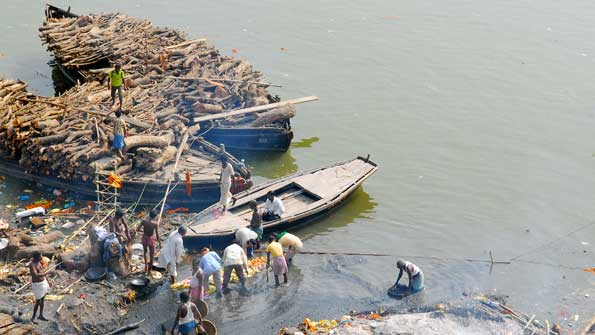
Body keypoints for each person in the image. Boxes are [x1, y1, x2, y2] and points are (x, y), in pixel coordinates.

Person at [135, 210, 161, 275]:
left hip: (144, 238)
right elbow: (157, 235)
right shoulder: (155, 224)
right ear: (155, 216)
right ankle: (149, 271)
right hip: (151, 239)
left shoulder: (144, 221)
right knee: (152, 255)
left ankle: (146, 267)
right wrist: (160, 243)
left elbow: (137, 229)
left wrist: (143, 231)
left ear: (149, 214)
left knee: (145, 252)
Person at [30, 251, 51, 323]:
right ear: (36, 258)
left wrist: (48, 281)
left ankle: (41, 315)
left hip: (43, 283)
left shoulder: (39, 262)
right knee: (38, 302)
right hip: (37, 285)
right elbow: (35, 275)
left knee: (42, 300)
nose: (41, 257)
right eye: (40, 256)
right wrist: (46, 273)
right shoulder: (32, 264)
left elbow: (42, 272)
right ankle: (33, 318)